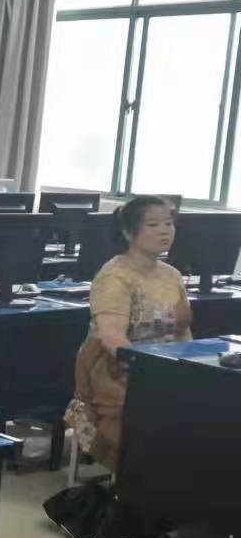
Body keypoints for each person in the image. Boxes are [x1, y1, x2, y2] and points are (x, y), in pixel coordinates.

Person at [66, 196, 191, 472]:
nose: (164, 230)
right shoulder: (114, 276)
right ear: (128, 232)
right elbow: (113, 340)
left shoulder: (172, 275)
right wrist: (152, 373)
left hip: (165, 368)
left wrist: (192, 370)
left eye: (169, 223)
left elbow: (183, 331)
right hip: (117, 372)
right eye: (153, 225)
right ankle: (146, 484)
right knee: (163, 414)